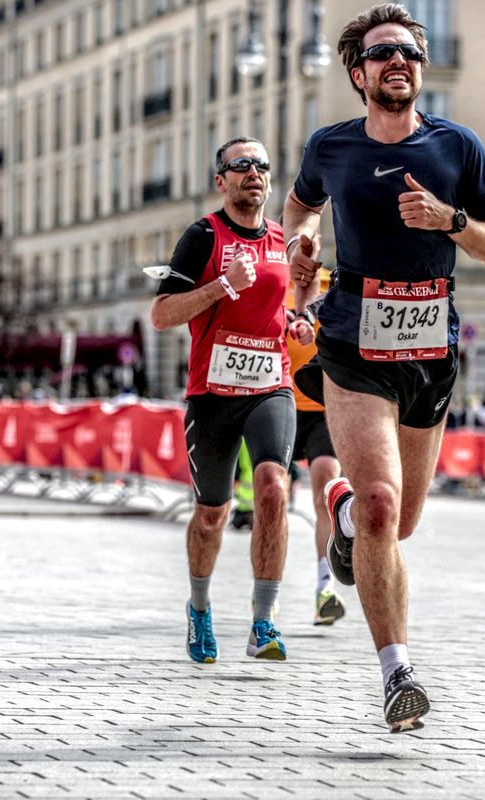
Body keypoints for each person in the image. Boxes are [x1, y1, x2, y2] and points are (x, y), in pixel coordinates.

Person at [282, 3, 485, 732]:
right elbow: (298, 209)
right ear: (359, 73)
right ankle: (397, 673)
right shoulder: (332, 146)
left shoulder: (457, 147)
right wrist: (302, 247)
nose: (399, 63)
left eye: (410, 53)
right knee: (383, 503)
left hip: (430, 353)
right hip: (353, 348)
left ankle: (343, 514)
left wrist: (450, 221)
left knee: (399, 525)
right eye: (384, 54)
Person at [150, 137, 314, 664]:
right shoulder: (203, 236)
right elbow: (161, 314)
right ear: (220, 180)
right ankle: (199, 608)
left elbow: (294, 302)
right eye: (240, 165)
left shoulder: (281, 240)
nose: (254, 173)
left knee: (272, 488)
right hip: (212, 394)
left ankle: (263, 622)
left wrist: (302, 320)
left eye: (262, 165)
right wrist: (221, 285)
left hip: (270, 385)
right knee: (211, 515)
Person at [284, 269, 346, 626]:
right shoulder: (274, 280)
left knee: (326, 487)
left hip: (324, 406)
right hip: (281, 403)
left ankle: (325, 589)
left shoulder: (331, 282)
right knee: (272, 493)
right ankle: (266, 592)